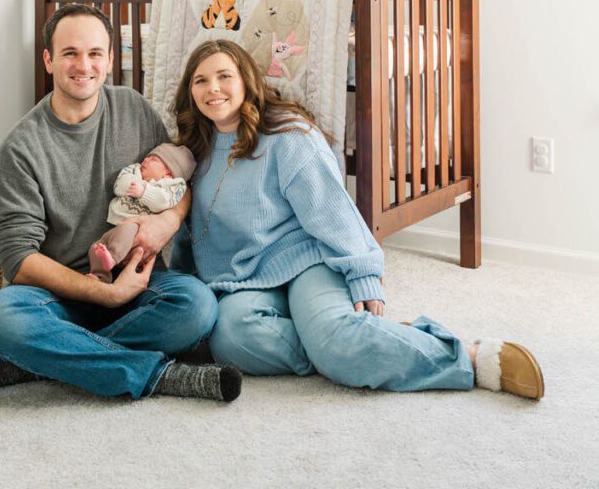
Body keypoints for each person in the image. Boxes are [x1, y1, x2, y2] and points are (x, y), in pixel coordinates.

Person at [170, 39, 545, 400]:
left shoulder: (287, 137)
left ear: (246, 81)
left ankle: (469, 356)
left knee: (334, 340)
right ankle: (356, 341)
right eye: (200, 80)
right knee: (232, 340)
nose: (212, 89)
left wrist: (365, 274)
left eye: (224, 76)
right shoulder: (192, 152)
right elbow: (191, 230)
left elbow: (333, 212)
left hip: (307, 260)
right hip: (245, 281)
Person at [0, 5, 240, 403]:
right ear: (48, 60)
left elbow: (179, 183)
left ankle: (40, 361)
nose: (84, 65)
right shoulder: (21, 148)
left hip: (137, 283)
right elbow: (18, 261)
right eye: (70, 53)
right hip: (57, 298)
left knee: (198, 306)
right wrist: (103, 294)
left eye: (95, 53)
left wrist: (170, 219)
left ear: (111, 59)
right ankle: (155, 374)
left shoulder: (133, 109)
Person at [89, 142, 196, 283]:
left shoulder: (170, 186)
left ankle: (113, 257)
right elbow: (120, 186)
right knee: (96, 246)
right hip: (116, 226)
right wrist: (138, 181)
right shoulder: (135, 170)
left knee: (125, 233)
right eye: (147, 156)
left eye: (154, 159)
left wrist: (143, 191)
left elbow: (163, 201)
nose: (145, 160)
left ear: (168, 173)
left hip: (136, 228)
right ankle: (100, 276)